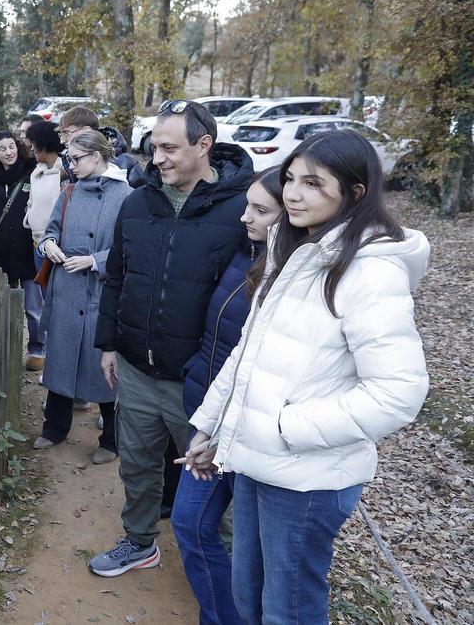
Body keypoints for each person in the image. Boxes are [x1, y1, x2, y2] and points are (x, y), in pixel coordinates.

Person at [181, 130, 430, 623]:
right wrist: (211, 424)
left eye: (313, 183)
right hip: (256, 460)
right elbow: (248, 354)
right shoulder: (293, 251)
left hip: (306, 479)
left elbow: (399, 392)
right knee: (247, 595)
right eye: (291, 178)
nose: (292, 193)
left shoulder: (370, 273)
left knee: (287, 610)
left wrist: (283, 429)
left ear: (355, 193)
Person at [90, 100, 252, 577]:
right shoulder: (138, 202)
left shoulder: (243, 211)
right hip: (138, 369)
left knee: (212, 477)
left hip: (201, 381)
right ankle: (140, 541)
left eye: (168, 148)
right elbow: (116, 277)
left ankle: (226, 567)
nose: (156, 158)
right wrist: (107, 343)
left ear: (204, 145)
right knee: (137, 464)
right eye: (153, 147)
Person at [171, 167, 283, 625]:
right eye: (246, 206)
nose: (245, 218)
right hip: (213, 417)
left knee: (255, 557)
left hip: (252, 435)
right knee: (189, 523)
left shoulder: (292, 280)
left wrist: (227, 435)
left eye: (260, 210)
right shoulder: (247, 252)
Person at [32, 131, 130, 463]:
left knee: (102, 367)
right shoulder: (69, 191)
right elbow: (50, 230)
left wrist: (94, 260)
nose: (71, 165)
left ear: (98, 156)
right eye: (69, 159)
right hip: (66, 288)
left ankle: (112, 441)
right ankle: (54, 428)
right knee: (60, 359)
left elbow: (128, 248)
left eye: (76, 159)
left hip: (100, 292)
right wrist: (49, 246)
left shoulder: (126, 195)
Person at [0, 131, 40, 330]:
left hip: (28, 252)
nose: (8, 152)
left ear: (18, 147)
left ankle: (37, 349)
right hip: (2, 253)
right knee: (8, 308)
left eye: (11, 147)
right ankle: (12, 346)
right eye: (2, 149)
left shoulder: (32, 176)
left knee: (34, 308)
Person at [21, 121, 66, 372]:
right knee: (45, 305)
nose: (33, 151)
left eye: (35, 146)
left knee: (55, 305)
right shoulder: (36, 171)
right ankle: (49, 357)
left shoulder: (65, 173)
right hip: (36, 242)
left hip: (55, 247)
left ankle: (56, 361)